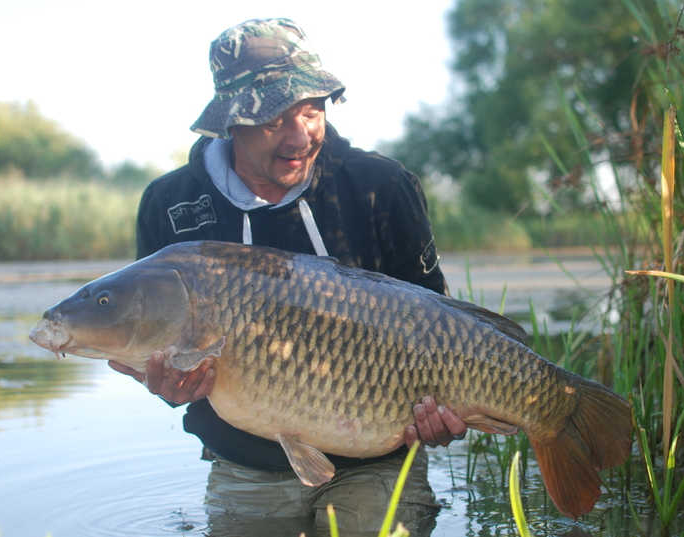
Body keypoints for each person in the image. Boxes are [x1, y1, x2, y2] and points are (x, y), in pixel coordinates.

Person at [109, 17, 468, 536]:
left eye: (312, 110)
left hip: (377, 460)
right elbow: (160, 349)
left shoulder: (381, 186)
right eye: (274, 119)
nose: (301, 136)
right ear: (231, 121)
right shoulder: (171, 203)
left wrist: (443, 416)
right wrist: (168, 386)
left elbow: (442, 324)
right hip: (244, 462)